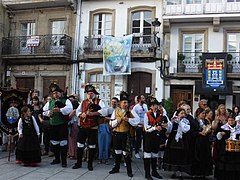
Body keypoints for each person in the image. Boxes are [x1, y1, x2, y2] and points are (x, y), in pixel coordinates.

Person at [72, 84, 105, 170]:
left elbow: (105, 110)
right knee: (80, 145)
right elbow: (77, 111)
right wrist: (81, 114)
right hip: (83, 127)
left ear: (94, 93)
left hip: (93, 128)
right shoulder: (83, 102)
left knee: (92, 146)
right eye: (88, 93)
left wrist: (94, 113)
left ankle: (90, 164)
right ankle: (78, 163)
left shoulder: (99, 101)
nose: (90, 95)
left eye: (91, 93)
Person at [109, 91, 140, 177]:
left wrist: (129, 120)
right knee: (117, 152)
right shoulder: (116, 111)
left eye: (127, 102)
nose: (126, 104)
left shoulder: (130, 112)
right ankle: (116, 167)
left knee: (126, 153)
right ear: (120, 103)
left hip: (125, 135)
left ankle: (129, 170)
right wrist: (117, 121)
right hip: (116, 134)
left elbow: (137, 121)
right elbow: (111, 124)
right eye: (124, 102)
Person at [43, 83, 73, 167]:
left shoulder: (65, 100)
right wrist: (49, 112)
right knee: (54, 142)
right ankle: (57, 159)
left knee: (63, 143)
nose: (55, 95)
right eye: (53, 93)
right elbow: (44, 111)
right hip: (53, 125)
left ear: (60, 93)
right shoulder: (50, 102)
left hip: (62, 125)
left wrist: (60, 110)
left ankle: (64, 161)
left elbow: (69, 109)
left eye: (57, 93)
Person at [143, 97, 167, 180]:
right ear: (150, 106)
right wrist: (154, 128)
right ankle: (147, 173)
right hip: (149, 137)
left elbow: (163, 124)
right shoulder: (147, 114)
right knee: (147, 155)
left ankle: (154, 171)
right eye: (153, 105)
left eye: (156, 105)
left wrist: (163, 126)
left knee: (155, 154)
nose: (155, 107)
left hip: (156, 137)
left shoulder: (160, 115)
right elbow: (146, 128)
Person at [163, 108, 191, 179]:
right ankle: (174, 172)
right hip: (173, 139)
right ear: (177, 114)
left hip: (182, 139)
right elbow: (169, 130)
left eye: (183, 113)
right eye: (181, 113)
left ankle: (181, 173)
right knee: (174, 155)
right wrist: (171, 122)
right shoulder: (174, 120)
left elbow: (186, 130)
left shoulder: (186, 121)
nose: (183, 115)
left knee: (181, 156)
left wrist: (180, 122)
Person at [214, 115, 240, 180]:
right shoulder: (223, 127)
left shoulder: (238, 127)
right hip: (225, 149)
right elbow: (218, 138)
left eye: (232, 120)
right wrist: (220, 134)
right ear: (227, 121)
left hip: (236, 149)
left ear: (235, 121)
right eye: (229, 120)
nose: (231, 122)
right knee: (224, 162)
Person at [190, 108, 213, 178]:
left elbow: (209, 129)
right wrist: (199, 133)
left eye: (204, 113)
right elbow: (192, 132)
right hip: (197, 141)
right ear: (198, 114)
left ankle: (204, 173)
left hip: (205, 141)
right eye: (202, 113)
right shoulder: (194, 121)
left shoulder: (206, 121)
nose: (204, 115)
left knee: (205, 157)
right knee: (197, 157)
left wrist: (208, 131)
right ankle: (196, 173)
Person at [97, 97, 119, 164]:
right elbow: (104, 117)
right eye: (112, 102)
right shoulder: (108, 109)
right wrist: (111, 119)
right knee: (103, 144)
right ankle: (101, 158)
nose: (113, 103)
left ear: (117, 103)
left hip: (116, 129)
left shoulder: (118, 110)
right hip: (108, 128)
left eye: (115, 102)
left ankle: (109, 157)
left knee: (110, 145)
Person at [132, 95, 148, 159]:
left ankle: (145, 151)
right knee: (138, 139)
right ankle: (136, 152)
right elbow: (133, 115)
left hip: (144, 125)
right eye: (142, 98)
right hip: (139, 125)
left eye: (144, 98)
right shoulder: (136, 107)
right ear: (139, 99)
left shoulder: (145, 106)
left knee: (145, 139)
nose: (144, 99)